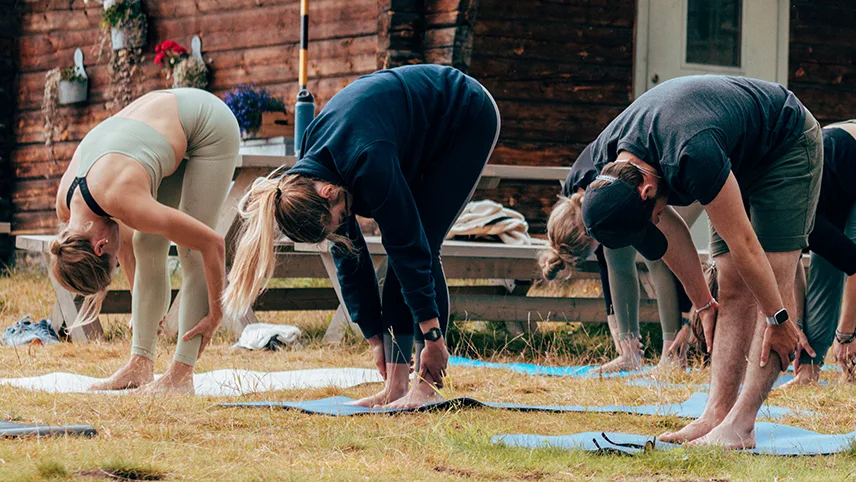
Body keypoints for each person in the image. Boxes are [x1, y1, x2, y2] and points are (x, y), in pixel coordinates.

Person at [222, 64, 500, 408]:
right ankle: (397, 387)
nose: (343, 226)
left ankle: (427, 387)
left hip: (463, 117)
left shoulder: (368, 159)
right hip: (406, 134)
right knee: (404, 247)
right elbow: (348, 257)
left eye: (338, 219)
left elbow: (408, 249)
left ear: (329, 193)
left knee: (422, 244)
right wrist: (374, 337)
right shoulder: (309, 174)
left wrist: (433, 339)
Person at [577, 75, 821, 449]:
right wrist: (704, 303)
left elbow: (745, 245)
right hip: (733, 150)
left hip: (784, 141)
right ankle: (715, 415)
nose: (656, 222)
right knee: (730, 280)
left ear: (645, 189)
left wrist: (780, 318)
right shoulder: (605, 162)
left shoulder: (691, 153)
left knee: (771, 272)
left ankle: (741, 424)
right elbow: (670, 229)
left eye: (651, 218)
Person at [51, 88, 239, 394]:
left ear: (99, 247)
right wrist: (144, 317)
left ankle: (181, 376)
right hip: (163, 126)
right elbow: (124, 245)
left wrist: (215, 315)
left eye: (108, 265)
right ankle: (139, 365)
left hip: (209, 124)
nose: (116, 260)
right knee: (146, 245)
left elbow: (212, 244)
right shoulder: (68, 205)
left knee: (191, 250)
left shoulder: (120, 197)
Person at [542, 144, 702, 372]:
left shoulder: (602, 191)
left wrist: (687, 317)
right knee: (616, 256)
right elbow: (608, 262)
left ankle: (672, 353)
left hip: (666, 176)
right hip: (630, 184)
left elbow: (666, 255)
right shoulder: (574, 197)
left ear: (588, 230)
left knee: (657, 256)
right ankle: (631, 354)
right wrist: (615, 319)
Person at [783, 122, 856, 385]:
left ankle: (851, 361)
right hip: (833, 173)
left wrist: (845, 335)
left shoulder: (805, 221)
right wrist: (797, 326)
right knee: (826, 262)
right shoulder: (773, 229)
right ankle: (809, 370)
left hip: (848, 146)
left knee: (844, 253)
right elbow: (789, 270)